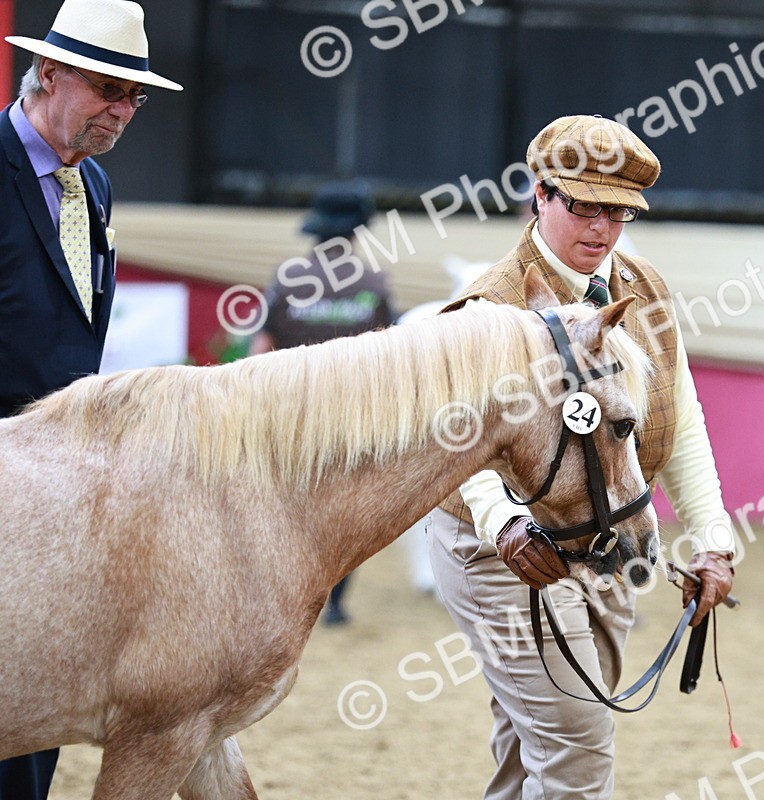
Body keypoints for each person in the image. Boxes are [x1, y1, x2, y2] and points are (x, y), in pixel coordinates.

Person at [427, 114, 737, 799]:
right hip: (502, 554)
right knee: (577, 749)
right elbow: (457, 439)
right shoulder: (490, 306)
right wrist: (503, 523)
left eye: (618, 212)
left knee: (531, 753)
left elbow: (677, 419)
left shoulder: (644, 287)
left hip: (603, 543)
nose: (600, 227)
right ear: (539, 196)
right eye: (582, 205)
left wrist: (713, 539)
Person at [0, 0, 182, 796]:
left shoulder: (94, 184)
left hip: (56, 500)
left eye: (135, 96)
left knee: (36, 711)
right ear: (47, 71)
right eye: (108, 88)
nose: (123, 110)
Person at [249, 181, 396, 624]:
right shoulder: (375, 283)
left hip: (290, 415)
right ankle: (332, 603)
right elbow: (392, 356)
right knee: (347, 514)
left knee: (290, 507)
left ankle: (288, 593)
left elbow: (260, 350)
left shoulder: (284, 279)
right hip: (353, 420)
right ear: (356, 233)